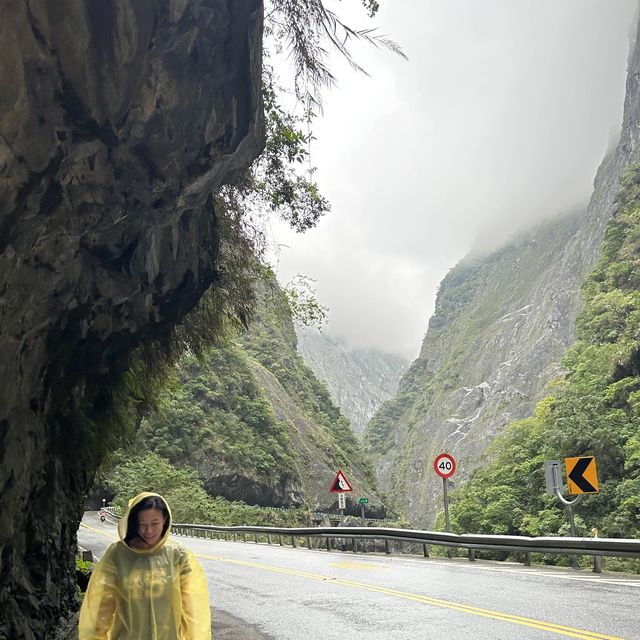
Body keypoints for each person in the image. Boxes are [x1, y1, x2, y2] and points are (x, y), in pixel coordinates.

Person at [79, 492, 211, 639]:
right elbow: (100, 608)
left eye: (155, 524)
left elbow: (194, 612)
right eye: (142, 525)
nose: (148, 531)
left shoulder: (179, 556)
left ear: (165, 520)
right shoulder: (117, 556)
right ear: (134, 523)